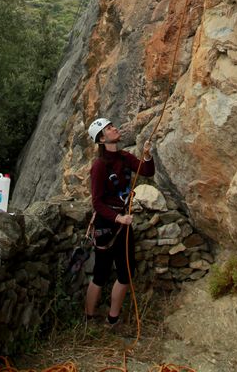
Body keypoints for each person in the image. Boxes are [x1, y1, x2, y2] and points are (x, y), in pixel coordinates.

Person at [85, 117, 155, 328]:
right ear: (102, 138)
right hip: (108, 224)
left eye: (112, 126)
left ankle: (112, 320)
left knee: (126, 272)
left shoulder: (124, 157)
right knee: (101, 273)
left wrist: (148, 155)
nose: (114, 129)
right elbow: (97, 202)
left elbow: (146, 172)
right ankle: (88, 318)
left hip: (123, 223)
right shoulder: (99, 166)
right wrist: (118, 218)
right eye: (109, 128)